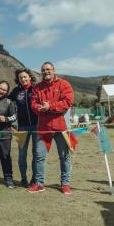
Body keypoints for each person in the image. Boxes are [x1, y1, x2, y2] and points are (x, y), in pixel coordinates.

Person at [29, 62, 74, 195]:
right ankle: (39, 183)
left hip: (61, 127)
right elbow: (33, 104)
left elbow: (67, 102)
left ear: (54, 70)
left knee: (64, 156)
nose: (46, 72)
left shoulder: (64, 84)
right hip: (43, 127)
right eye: (43, 70)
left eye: (48, 69)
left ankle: (65, 184)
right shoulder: (37, 87)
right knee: (39, 156)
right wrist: (40, 108)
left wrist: (50, 107)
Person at [9, 68, 38, 188]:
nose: (23, 79)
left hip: (37, 126)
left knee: (36, 154)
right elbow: (4, 98)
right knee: (22, 154)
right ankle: (23, 178)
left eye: (25, 77)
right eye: (21, 77)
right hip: (22, 127)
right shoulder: (16, 91)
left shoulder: (36, 88)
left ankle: (34, 179)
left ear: (30, 77)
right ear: (18, 80)